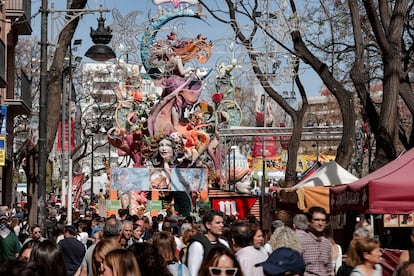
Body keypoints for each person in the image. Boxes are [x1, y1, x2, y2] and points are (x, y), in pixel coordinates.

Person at [186, 209, 229, 276]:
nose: (222, 225)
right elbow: (193, 272)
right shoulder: (197, 245)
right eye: (218, 223)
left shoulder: (223, 243)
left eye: (222, 222)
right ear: (208, 225)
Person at [296, 206, 333, 276]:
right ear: (309, 222)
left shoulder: (327, 243)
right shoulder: (301, 241)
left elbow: (329, 269)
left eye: (323, 220)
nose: (320, 223)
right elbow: (295, 267)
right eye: (317, 220)